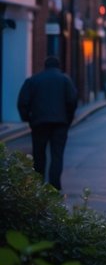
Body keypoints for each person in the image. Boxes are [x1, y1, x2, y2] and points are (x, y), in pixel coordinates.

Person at [17, 56, 78, 191]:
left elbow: (23, 102)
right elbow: (72, 101)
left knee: (39, 154)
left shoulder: (33, 80)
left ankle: (38, 184)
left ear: (45, 66)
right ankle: (53, 187)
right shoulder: (65, 80)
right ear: (58, 66)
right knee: (57, 155)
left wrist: (27, 118)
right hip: (60, 123)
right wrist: (68, 119)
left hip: (39, 123)